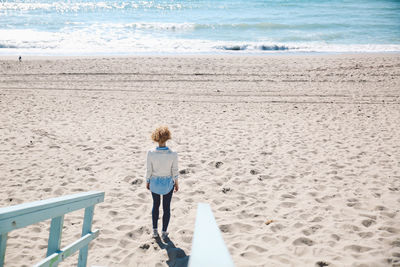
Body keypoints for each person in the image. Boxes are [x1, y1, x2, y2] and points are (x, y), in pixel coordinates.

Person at [145, 126, 179, 239]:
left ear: (155, 138)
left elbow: (148, 170)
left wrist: (147, 181)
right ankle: (164, 232)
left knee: (156, 205)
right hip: (168, 184)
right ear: (167, 138)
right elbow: (174, 170)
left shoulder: (150, 153)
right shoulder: (173, 154)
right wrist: (177, 182)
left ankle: (155, 231)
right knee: (166, 208)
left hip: (154, 182)